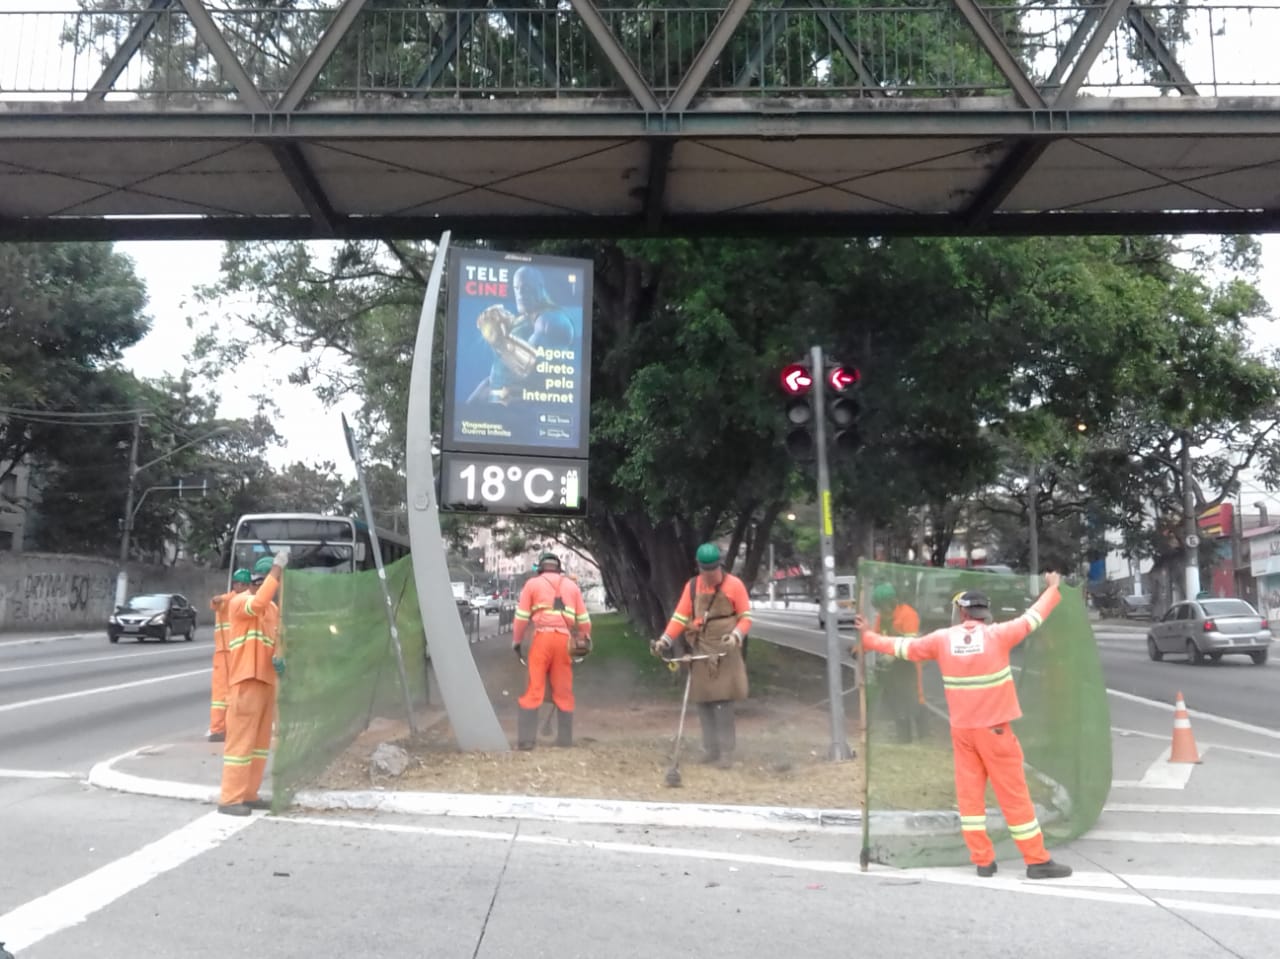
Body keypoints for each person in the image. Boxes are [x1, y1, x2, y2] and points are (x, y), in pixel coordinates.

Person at [854, 571, 1073, 880]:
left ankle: (983, 861)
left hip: (962, 733)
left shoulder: (943, 639)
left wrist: (868, 638)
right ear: (986, 612)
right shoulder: (999, 634)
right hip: (995, 732)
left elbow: (904, 647)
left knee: (970, 798)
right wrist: (1053, 588)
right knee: (1014, 796)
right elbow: (1035, 616)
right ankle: (1036, 860)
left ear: (961, 612)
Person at [651, 544, 752, 769]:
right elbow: (679, 617)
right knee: (704, 700)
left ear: (719, 566)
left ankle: (726, 751)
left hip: (726, 647)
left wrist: (736, 635)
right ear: (699, 568)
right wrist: (664, 640)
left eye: (713, 571)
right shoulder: (693, 586)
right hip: (702, 646)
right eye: (705, 571)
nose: (709, 576)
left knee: (723, 701)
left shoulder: (734, 585)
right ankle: (711, 748)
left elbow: (746, 617)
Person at [219, 550, 289, 816]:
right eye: (259, 582)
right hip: (245, 680)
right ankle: (229, 798)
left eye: (267, 582)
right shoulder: (240, 602)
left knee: (259, 746)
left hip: (266, 682)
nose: (264, 587)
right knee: (240, 744)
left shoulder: (273, 610)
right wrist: (277, 569)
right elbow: (257, 604)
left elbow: (277, 641)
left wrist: (281, 659)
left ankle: (249, 793)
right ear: (251, 584)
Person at [512, 551, 592, 749]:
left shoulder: (532, 585)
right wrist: (584, 640)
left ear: (540, 568)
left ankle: (526, 741)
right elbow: (584, 621)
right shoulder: (571, 586)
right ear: (559, 568)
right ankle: (564, 741)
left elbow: (521, 618)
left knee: (535, 687)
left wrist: (517, 641)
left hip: (542, 638)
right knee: (563, 689)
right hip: (564, 640)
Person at [468, 265, 576, 405]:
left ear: (540, 287)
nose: (520, 294)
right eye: (516, 288)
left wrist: (501, 341)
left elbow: (530, 369)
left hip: (525, 409)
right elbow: (498, 372)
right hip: (497, 399)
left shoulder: (551, 321)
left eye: (525, 288)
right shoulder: (523, 319)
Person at [869, 582, 926, 743]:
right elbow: (876, 637)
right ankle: (904, 738)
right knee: (897, 700)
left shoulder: (908, 615)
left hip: (909, 664)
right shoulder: (883, 617)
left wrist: (891, 656)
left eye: (882, 607)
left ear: (892, 603)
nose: (880, 612)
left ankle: (923, 735)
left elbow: (910, 643)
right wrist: (861, 647)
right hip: (893, 666)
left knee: (914, 699)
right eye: (878, 608)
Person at [205, 568, 251, 742]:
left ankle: (234, 727)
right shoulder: (228, 600)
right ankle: (218, 729)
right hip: (224, 654)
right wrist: (223, 597)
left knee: (238, 692)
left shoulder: (246, 601)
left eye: (247, 584)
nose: (245, 587)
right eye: (242, 584)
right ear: (235, 585)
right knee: (221, 694)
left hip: (239, 653)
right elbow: (215, 603)